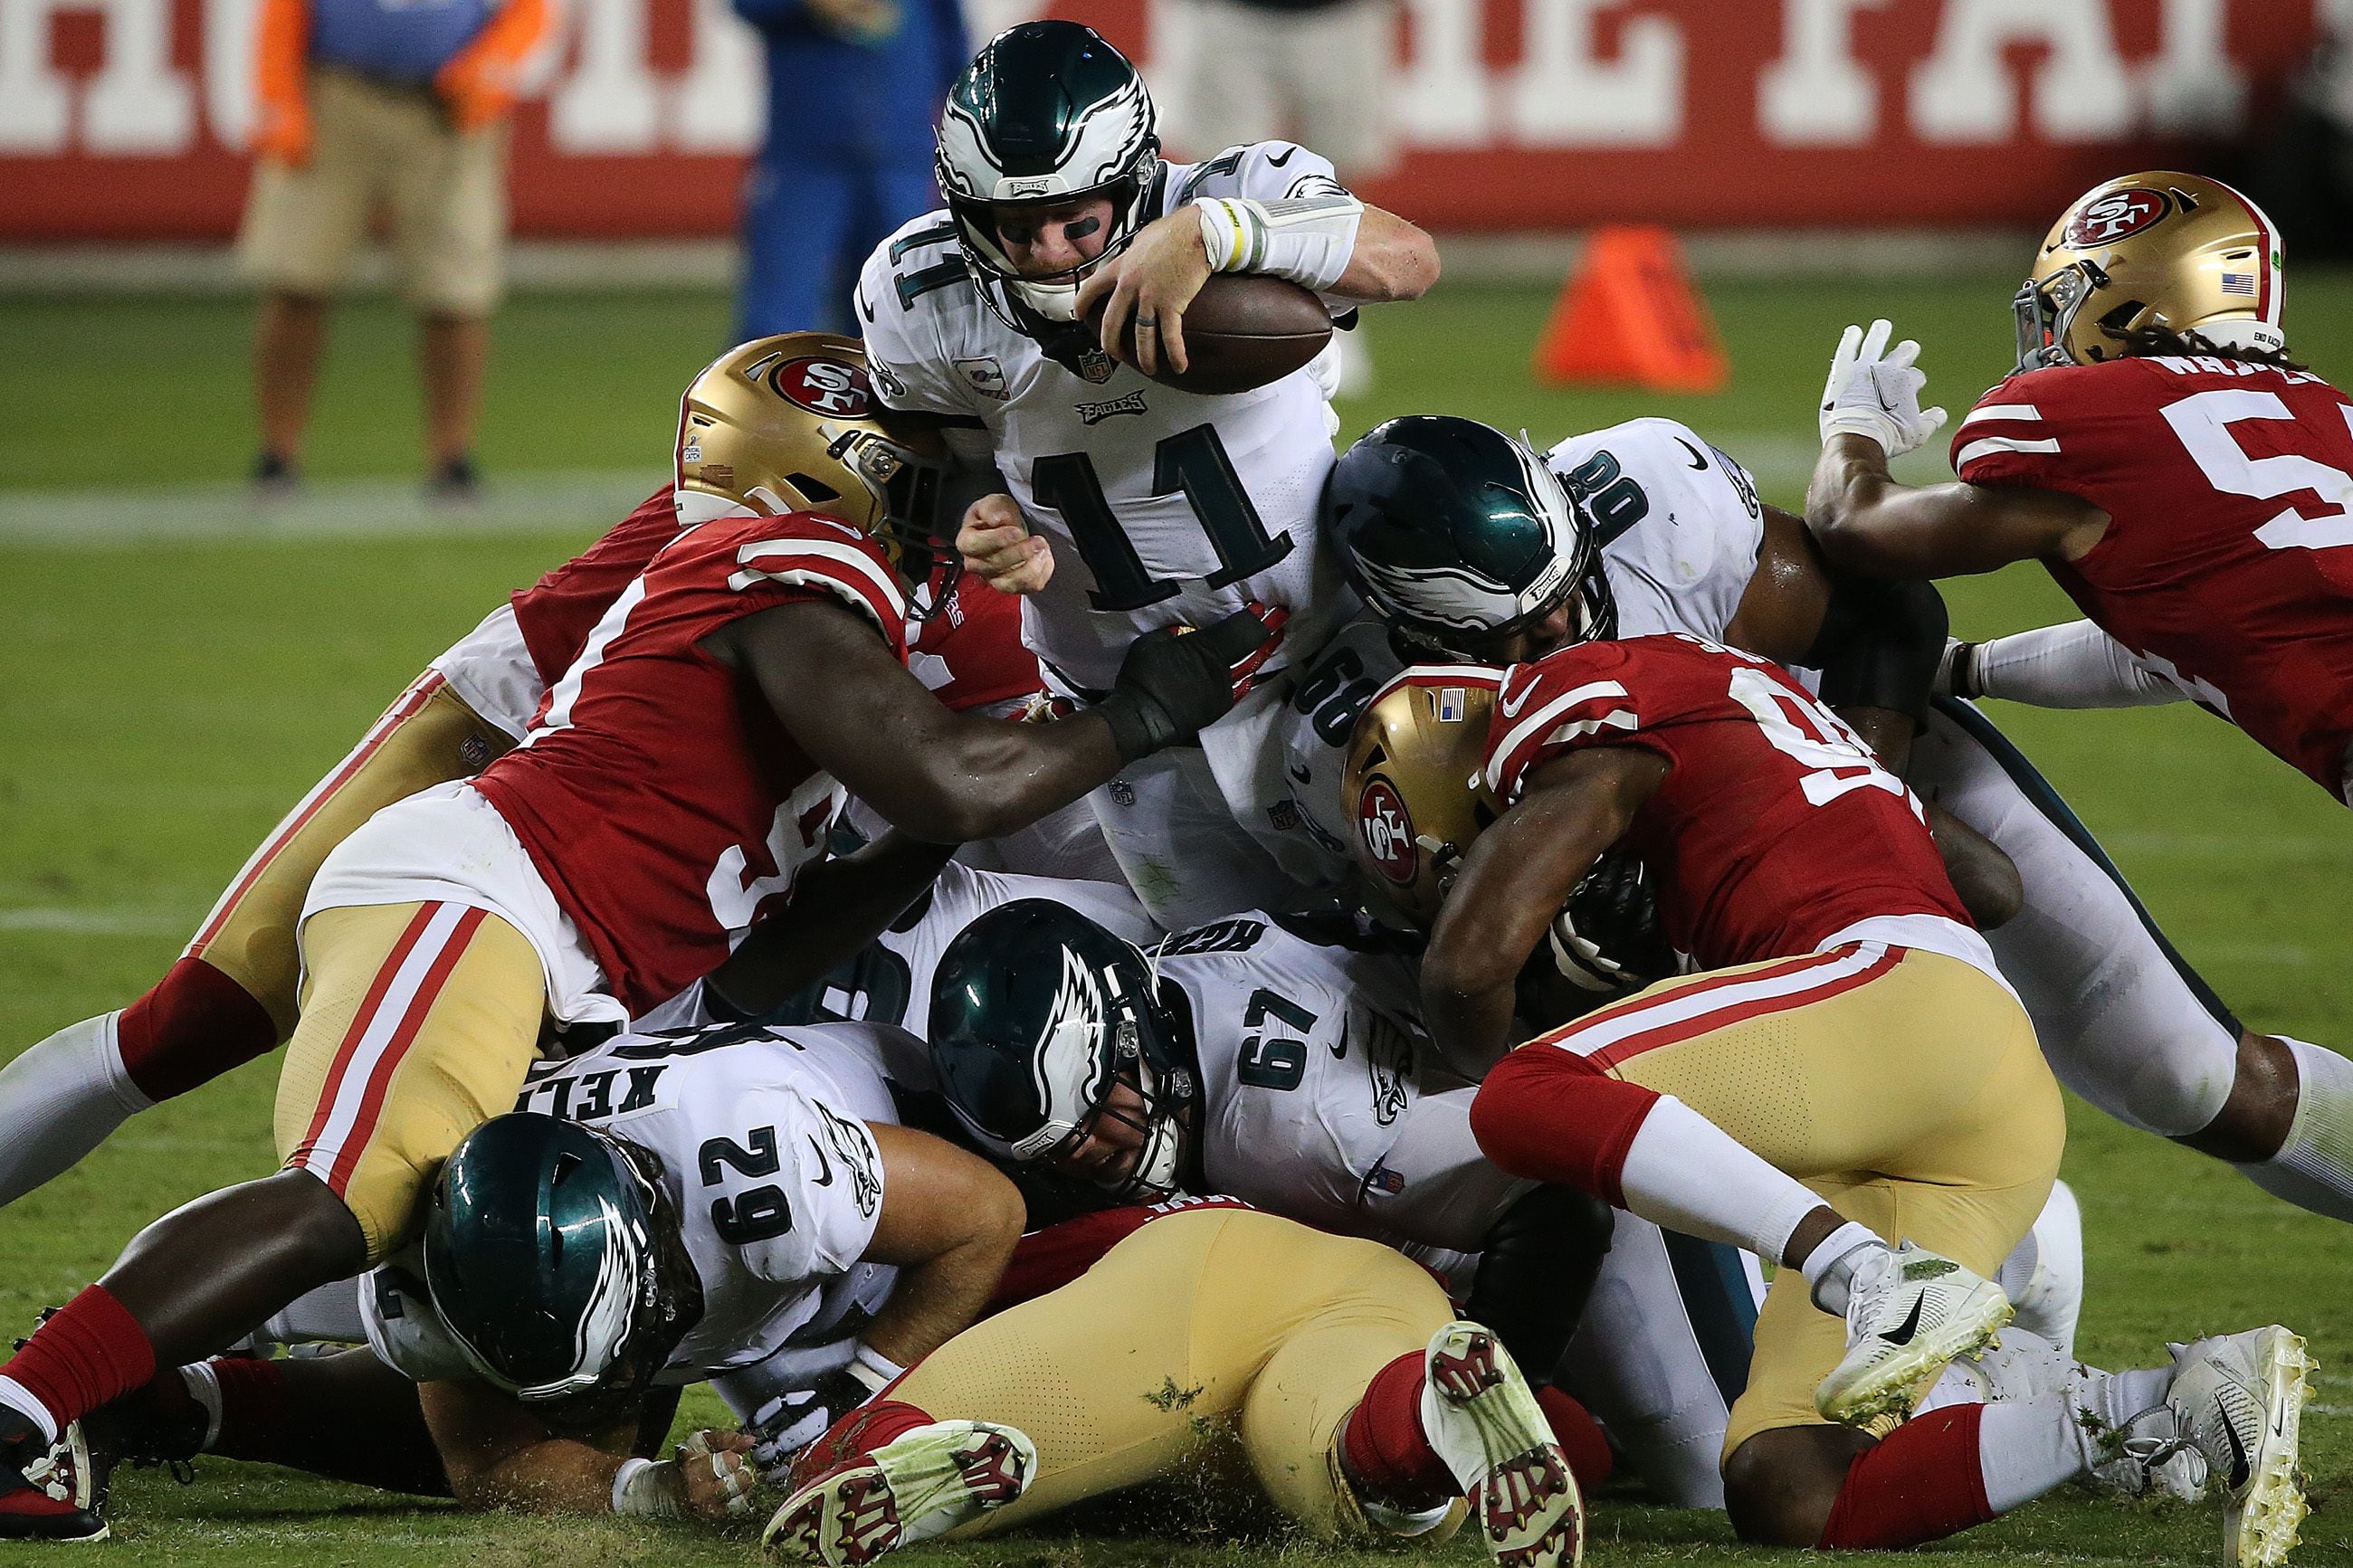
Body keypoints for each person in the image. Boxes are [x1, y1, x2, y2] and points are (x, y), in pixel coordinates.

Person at [0, 333, 1272, 1541]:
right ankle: (26, 1407)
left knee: (572, 1355)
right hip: (486, 895)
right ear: (841, 475)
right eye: (920, 474)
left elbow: (769, 959)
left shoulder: (795, 592)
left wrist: (929, 843)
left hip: (567, 964)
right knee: (353, 1188)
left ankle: (167, 1389)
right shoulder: (790, 568)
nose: (944, 506)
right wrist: (1138, 717)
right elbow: (954, 777)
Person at [1383, 635, 2310, 1561]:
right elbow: (1991, 881)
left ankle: (1864, 1271)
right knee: (1790, 1484)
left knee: (1524, 1094)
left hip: (1889, 998)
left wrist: (1503, 919)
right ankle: (2158, 1402)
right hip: (1980, 1084)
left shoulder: (1578, 703)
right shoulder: (1772, 715)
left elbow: (1468, 970)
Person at [1327, 409, 2353, 1236]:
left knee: (2180, 1069)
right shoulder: (1394, 723)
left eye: (1565, 593)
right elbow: (1480, 946)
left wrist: (1855, 794)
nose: (1558, 628)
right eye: (1509, 631)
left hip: (1855, 769)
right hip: (1708, 894)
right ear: (1408, 629)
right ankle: (2009, 1297)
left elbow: (1887, 613)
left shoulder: (1654, 513)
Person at [1802, 171, 2353, 1224]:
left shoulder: (2091, 416)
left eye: (2064, 302)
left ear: (2129, 299)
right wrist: (1969, 669)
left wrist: (1850, 435)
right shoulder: (2323, 416)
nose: (2049, 335)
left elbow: (1855, 529)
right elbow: (2173, 649)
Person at [917, 897, 1781, 1506]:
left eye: (1102, 1113)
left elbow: (1555, 1196)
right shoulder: (1160, 1014)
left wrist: (1496, 1403)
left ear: (1136, 1027)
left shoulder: (1301, 1119)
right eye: (1061, 1149)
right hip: (1428, 1203)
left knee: (1727, 1478)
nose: (1098, 1156)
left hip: (1601, 1180)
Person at [860, 18, 1439, 928]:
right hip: (1129, 721)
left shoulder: (1238, 191)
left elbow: (1408, 259)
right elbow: (947, 461)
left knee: (1427, 928)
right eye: (1015, 228)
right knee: (1230, 973)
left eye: (1076, 220)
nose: (1049, 251)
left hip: (1321, 666)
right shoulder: (917, 294)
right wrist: (983, 517)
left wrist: (1214, 234)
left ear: (1134, 185)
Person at [764, 1205, 1581, 1568]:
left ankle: (902, 1451)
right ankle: (1434, 1420)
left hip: (1187, 1283)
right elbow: (1585, 1445)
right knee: (1347, 1450)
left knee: (896, 1431)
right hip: (1398, 1297)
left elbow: (993, 1253)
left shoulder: (1019, 1210)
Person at [237, 0, 548, 498]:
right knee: (296, 278)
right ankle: (277, 453)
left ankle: (451, 456)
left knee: (456, 292)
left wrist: (489, 69)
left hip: (446, 106)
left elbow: (528, 10)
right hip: (334, 91)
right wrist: (279, 94)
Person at [729, 0, 965, 340]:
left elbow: (952, 43)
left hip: (901, 158)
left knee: (899, 322)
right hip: (808, 156)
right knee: (777, 323)